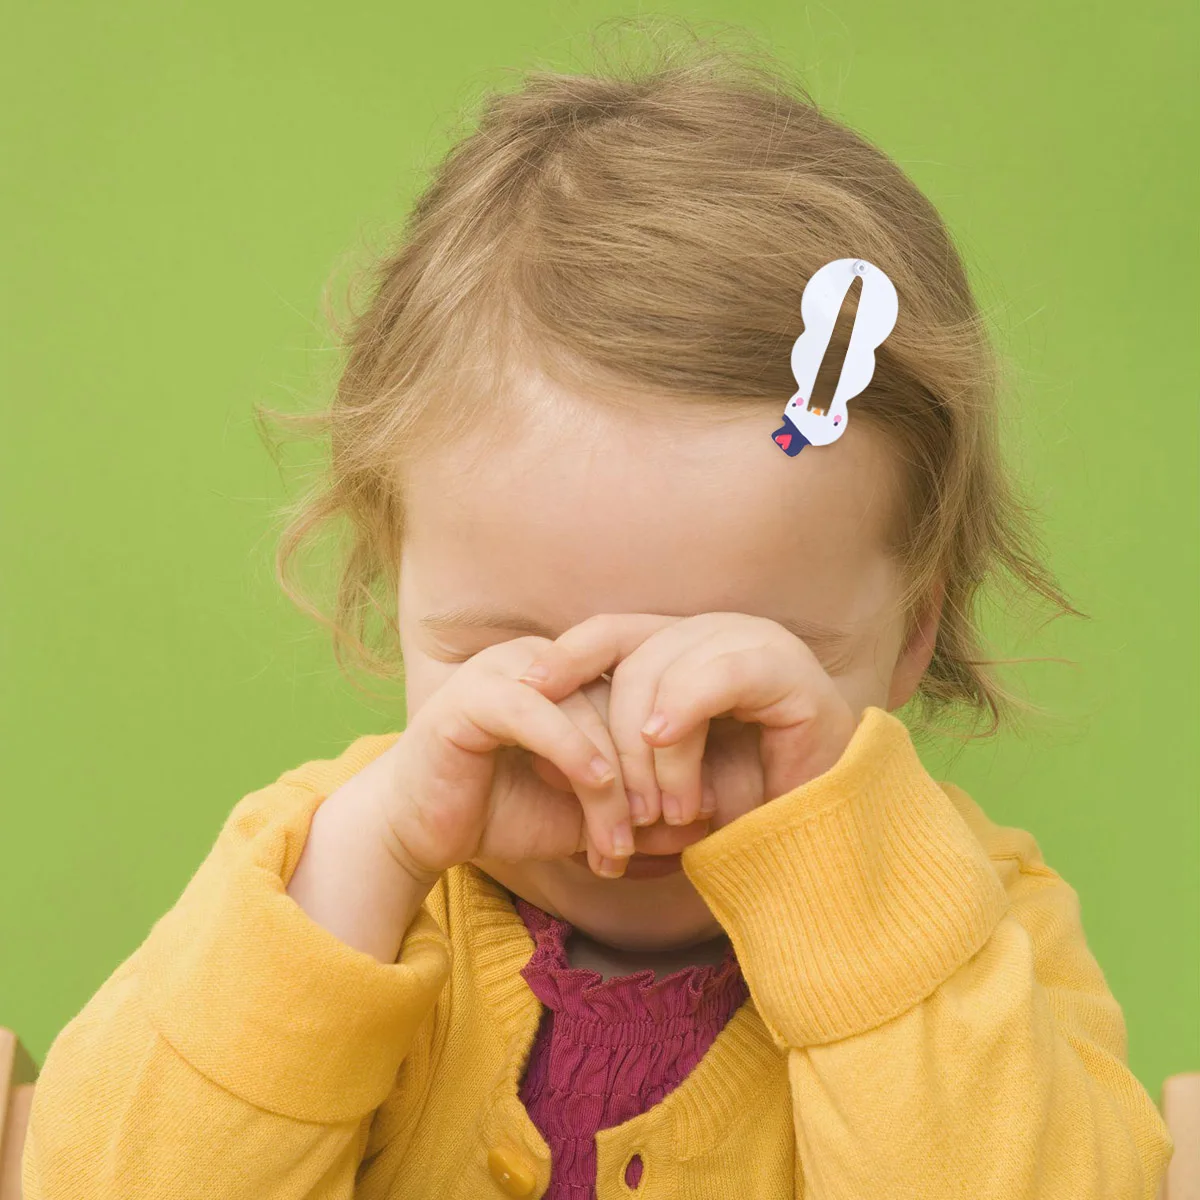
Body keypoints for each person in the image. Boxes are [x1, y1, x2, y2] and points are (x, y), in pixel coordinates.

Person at [22, 32, 1174, 1200]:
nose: (632, 761)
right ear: (394, 577)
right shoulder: (327, 875)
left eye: (740, 684)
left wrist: (846, 879)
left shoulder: (976, 925)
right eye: (524, 662)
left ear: (913, 629)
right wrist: (360, 871)